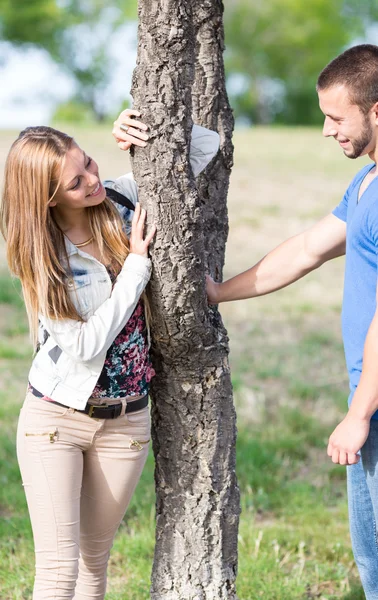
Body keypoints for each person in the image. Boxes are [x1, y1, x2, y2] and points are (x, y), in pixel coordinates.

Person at [0, 108, 220, 600]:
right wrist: (137, 266)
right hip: (55, 418)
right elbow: (83, 344)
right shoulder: (41, 254)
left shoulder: (121, 200)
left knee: (94, 564)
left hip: (126, 421)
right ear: (49, 197)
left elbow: (205, 146)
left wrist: (147, 131)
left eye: (91, 163)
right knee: (58, 573)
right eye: (77, 182)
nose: (94, 180)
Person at [206, 44, 378, 600]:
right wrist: (217, 293)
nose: (327, 132)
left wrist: (358, 414)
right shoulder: (366, 185)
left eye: (336, 117)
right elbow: (306, 250)